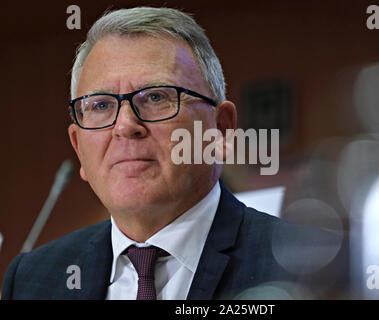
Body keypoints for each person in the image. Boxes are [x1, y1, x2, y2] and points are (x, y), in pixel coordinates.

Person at [1, 6, 337, 300]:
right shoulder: (32, 280)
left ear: (220, 131)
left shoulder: (315, 265)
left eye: (156, 97)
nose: (125, 125)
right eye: (101, 105)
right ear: (79, 148)